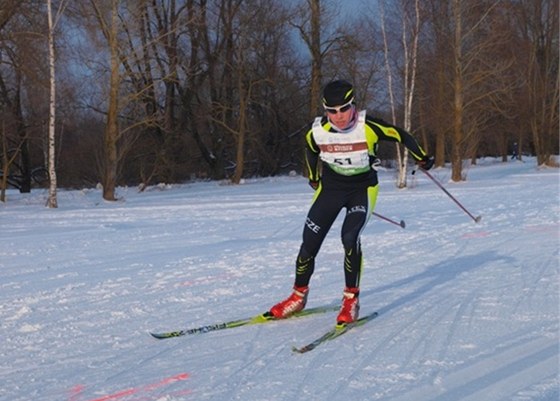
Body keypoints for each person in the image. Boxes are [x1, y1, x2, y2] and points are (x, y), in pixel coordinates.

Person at [268, 79, 434, 325]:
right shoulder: (317, 131)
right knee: (309, 243)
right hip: (331, 189)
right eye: (332, 111)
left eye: (344, 109)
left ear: (353, 105)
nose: (339, 117)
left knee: (349, 237)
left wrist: (422, 157)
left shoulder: (370, 127)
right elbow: (311, 150)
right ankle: (298, 296)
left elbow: (401, 135)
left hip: (362, 189)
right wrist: (314, 178)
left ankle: (350, 300)